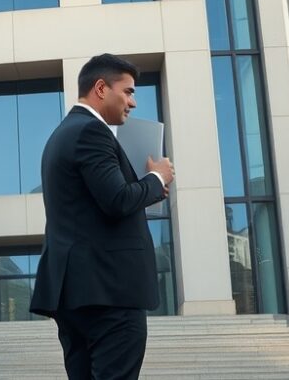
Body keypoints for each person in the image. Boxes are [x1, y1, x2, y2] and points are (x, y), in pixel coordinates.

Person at [29, 54, 175, 380]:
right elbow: (118, 200)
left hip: (78, 294)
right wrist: (157, 178)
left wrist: (145, 187)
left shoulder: (63, 134)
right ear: (100, 88)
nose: (133, 102)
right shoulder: (91, 132)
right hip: (109, 292)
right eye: (128, 92)